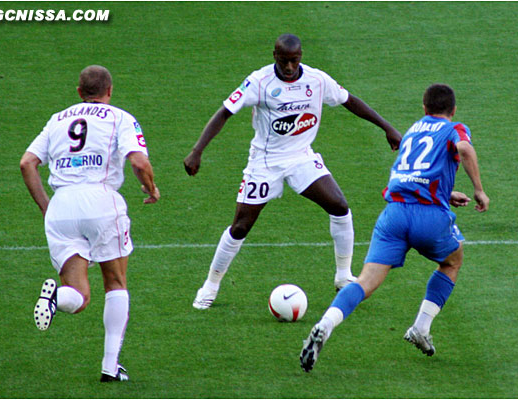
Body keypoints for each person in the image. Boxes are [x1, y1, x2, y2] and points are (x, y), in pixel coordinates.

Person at [184, 34, 402, 310]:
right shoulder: (259, 82)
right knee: (240, 226)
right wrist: (197, 150)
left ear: (301, 56)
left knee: (340, 206)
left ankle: (343, 275)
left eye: (294, 60)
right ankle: (210, 285)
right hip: (264, 162)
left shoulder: (317, 80)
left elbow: (349, 101)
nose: (289, 66)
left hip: (300, 158)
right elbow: (225, 112)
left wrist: (387, 127)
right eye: (284, 60)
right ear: (274, 55)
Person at [300, 83, 490, 372]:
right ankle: (421, 328)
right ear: (453, 110)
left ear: (423, 108)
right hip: (429, 217)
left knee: (364, 282)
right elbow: (463, 149)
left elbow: (408, 175)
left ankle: (326, 324)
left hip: (394, 214)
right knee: (452, 261)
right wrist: (479, 190)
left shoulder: (413, 131)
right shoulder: (455, 129)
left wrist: (446, 192)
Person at [20, 65, 160, 382]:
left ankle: (55, 298)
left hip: (62, 206)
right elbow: (138, 161)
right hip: (101, 202)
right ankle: (110, 367)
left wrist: (47, 206)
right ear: (109, 91)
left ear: (79, 92)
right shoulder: (120, 117)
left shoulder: (56, 120)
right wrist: (151, 188)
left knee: (78, 296)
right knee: (116, 283)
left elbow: (27, 162)